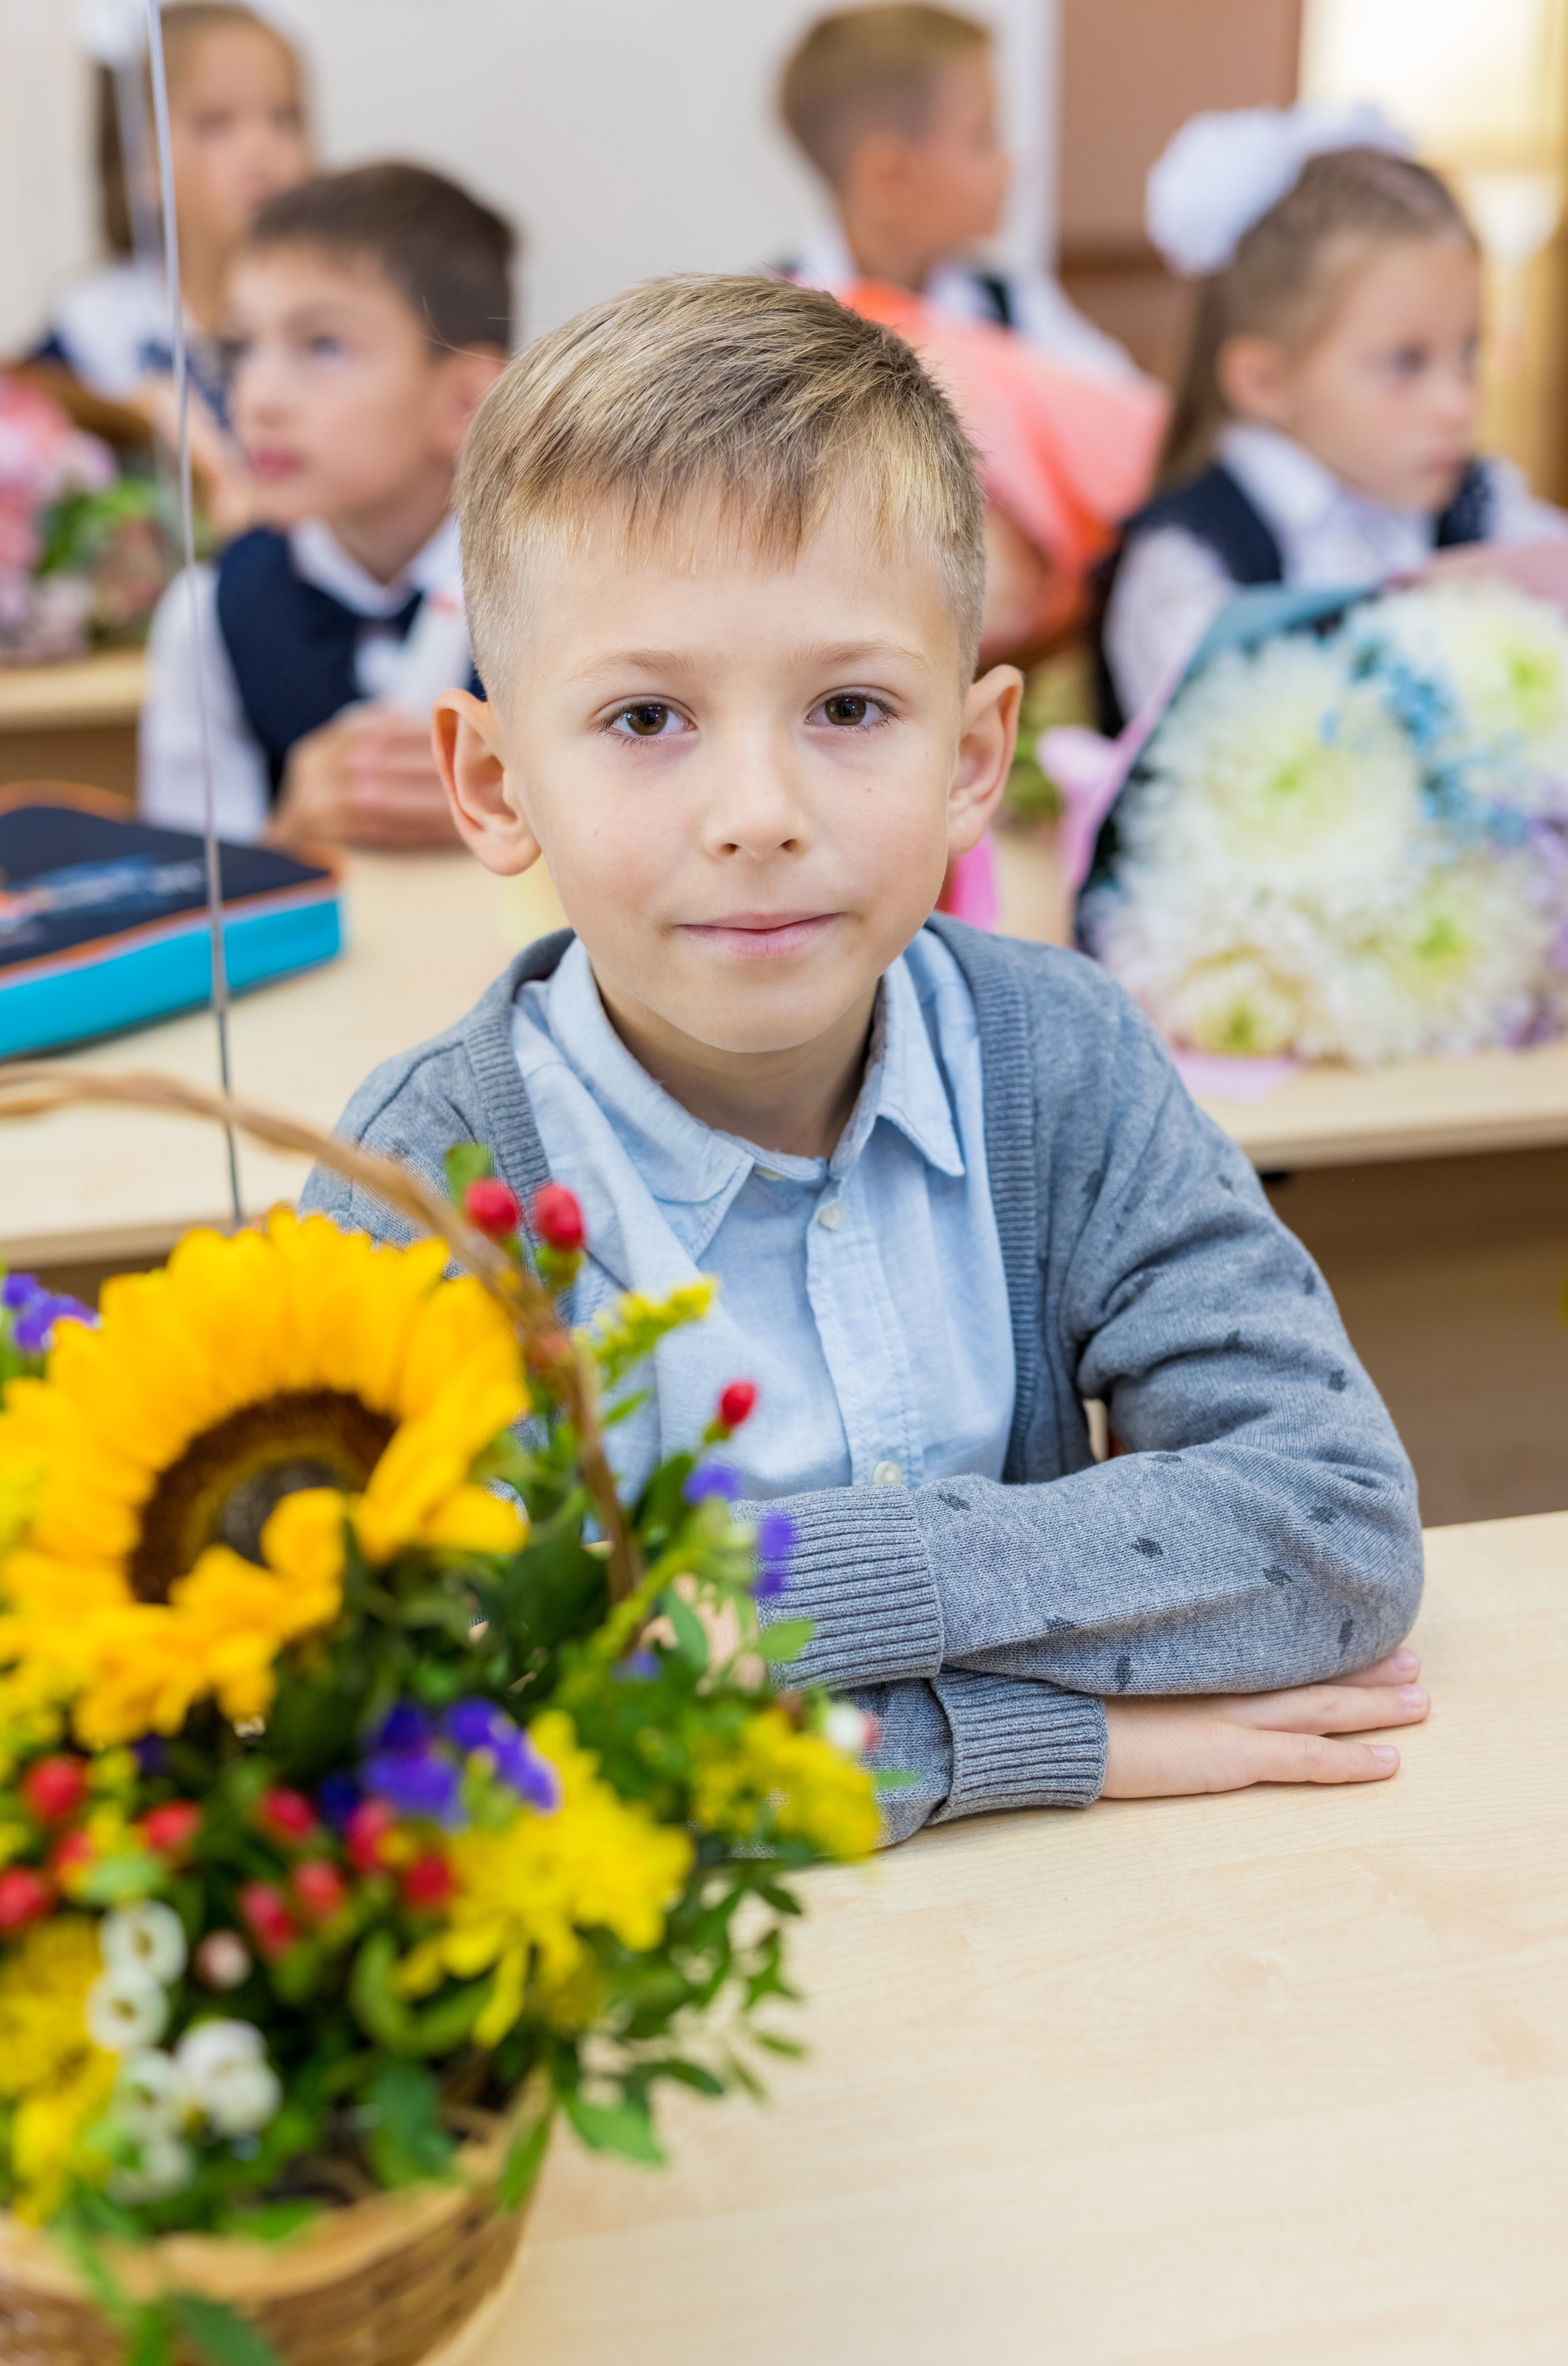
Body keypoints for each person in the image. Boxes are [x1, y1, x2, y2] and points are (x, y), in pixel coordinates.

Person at [301, 275, 1430, 1844]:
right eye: (645, 717)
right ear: (493, 783)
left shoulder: (1058, 1054)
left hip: (1072, 1965)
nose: (757, 808)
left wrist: (791, 1596)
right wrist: (1041, 1736)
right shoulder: (427, 1181)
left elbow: (1331, 1526)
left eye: (847, 705)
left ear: (970, 758)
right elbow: (433, 1739)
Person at [1099, 106, 1568, 728]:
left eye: (1468, 354)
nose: (1457, 403)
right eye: (1405, 363)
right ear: (1263, 381)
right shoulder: (1187, 563)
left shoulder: (1482, 506)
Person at [139, 162, 513, 849]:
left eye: (323, 346)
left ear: (463, 401)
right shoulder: (206, 616)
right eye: (243, 348)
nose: (259, 398)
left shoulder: (566, 592)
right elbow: (189, 895)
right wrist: (292, 833)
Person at [41, 2, 310, 520]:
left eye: (284, 119)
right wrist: (132, 413)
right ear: (142, 161)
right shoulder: (97, 322)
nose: (260, 149)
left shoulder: (333, 309)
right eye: (216, 125)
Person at [776, 4, 1137, 383]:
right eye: (982, 137)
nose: (1011, 163)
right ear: (889, 179)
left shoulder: (1014, 308)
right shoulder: (765, 330)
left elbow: (1130, 411)